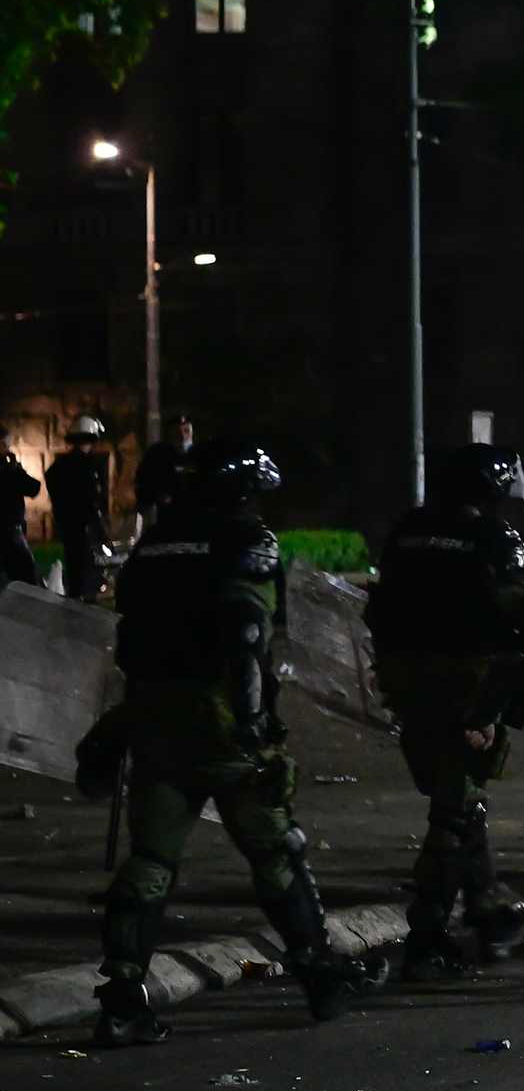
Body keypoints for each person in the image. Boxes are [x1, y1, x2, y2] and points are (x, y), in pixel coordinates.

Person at [88, 438, 387, 1044]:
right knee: (276, 850)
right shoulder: (245, 540)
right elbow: (247, 633)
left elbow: (132, 631)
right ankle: (321, 976)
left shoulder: (158, 540)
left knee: (149, 861)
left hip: (153, 713)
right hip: (217, 715)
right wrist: (252, 724)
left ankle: (121, 998)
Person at [365, 445, 524, 978]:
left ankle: (488, 909)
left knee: (459, 795)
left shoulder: (407, 528)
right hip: (467, 680)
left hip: (408, 677)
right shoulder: (494, 536)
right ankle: (428, 936)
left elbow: (380, 604)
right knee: (453, 809)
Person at [45, 416, 113, 603]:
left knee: (75, 571)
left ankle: (76, 602)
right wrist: (101, 528)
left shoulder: (59, 466)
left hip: (69, 526)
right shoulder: (87, 466)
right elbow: (91, 500)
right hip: (85, 528)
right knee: (88, 573)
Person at [133, 415, 196, 535]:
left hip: (193, 514)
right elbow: (143, 481)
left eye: (186, 430)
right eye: (178, 431)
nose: (182, 436)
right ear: (170, 433)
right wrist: (157, 495)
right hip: (165, 516)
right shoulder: (158, 453)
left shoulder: (198, 454)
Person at [2, 447, 40, 586]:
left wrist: (16, 469)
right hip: (8, 530)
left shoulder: (9, 470)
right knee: (25, 575)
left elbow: (32, 487)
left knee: (25, 576)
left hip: (13, 529)